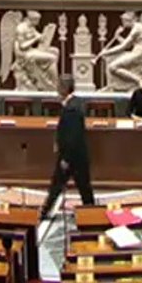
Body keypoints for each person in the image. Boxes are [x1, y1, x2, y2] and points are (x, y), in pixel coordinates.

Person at [40, 75, 94, 215]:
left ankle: (45, 211)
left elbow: (72, 136)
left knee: (65, 185)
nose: (57, 89)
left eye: (59, 86)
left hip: (72, 156)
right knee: (78, 187)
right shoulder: (75, 103)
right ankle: (91, 212)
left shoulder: (71, 109)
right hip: (77, 155)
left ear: (64, 88)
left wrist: (66, 158)